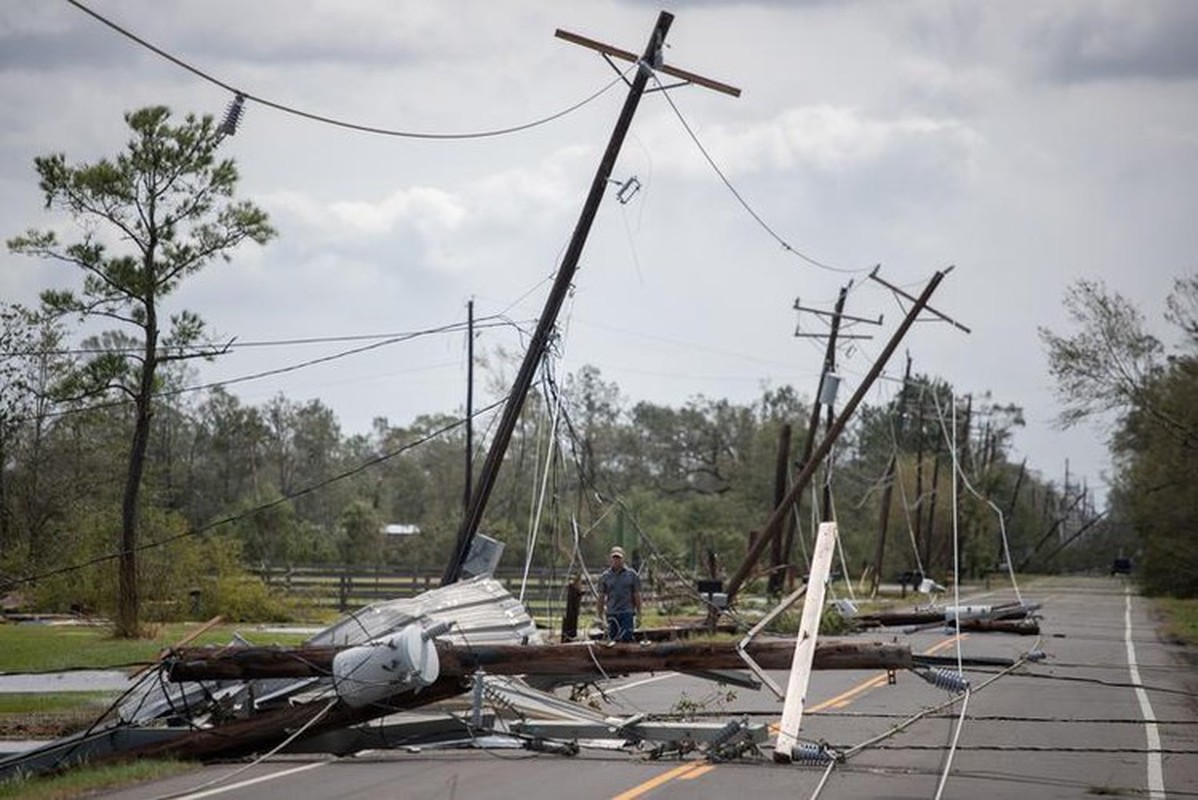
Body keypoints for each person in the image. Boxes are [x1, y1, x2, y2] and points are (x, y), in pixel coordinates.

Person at [597, 546, 642, 643]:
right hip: (612, 613)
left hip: (627, 612)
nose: (616, 560)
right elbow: (601, 597)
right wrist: (599, 616)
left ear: (623, 558)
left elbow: (637, 595)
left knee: (626, 637)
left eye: (618, 558)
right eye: (614, 558)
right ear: (611, 559)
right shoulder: (605, 577)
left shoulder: (632, 575)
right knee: (612, 639)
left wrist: (639, 614)